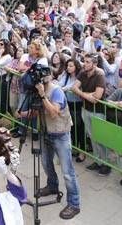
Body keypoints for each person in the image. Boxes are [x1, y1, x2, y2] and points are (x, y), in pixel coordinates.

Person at [33, 73, 82, 220]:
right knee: (46, 164)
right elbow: (37, 110)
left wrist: (42, 95)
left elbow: (54, 113)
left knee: (67, 172)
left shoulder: (57, 91)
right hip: (45, 132)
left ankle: (74, 204)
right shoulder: (37, 90)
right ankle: (52, 186)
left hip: (60, 134)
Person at [71, 53, 110, 175]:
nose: (85, 64)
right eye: (84, 61)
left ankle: (106, 164)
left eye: (88, 62)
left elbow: (97, 96)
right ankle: (98, 161)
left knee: (100, 138)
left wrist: (82, 94)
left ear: (95, 64)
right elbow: (74, 87)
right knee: (92, 137)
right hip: (86, 108)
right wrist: (86, 95)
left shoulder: (100, 75)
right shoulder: (83, 72)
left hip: (98, 111)